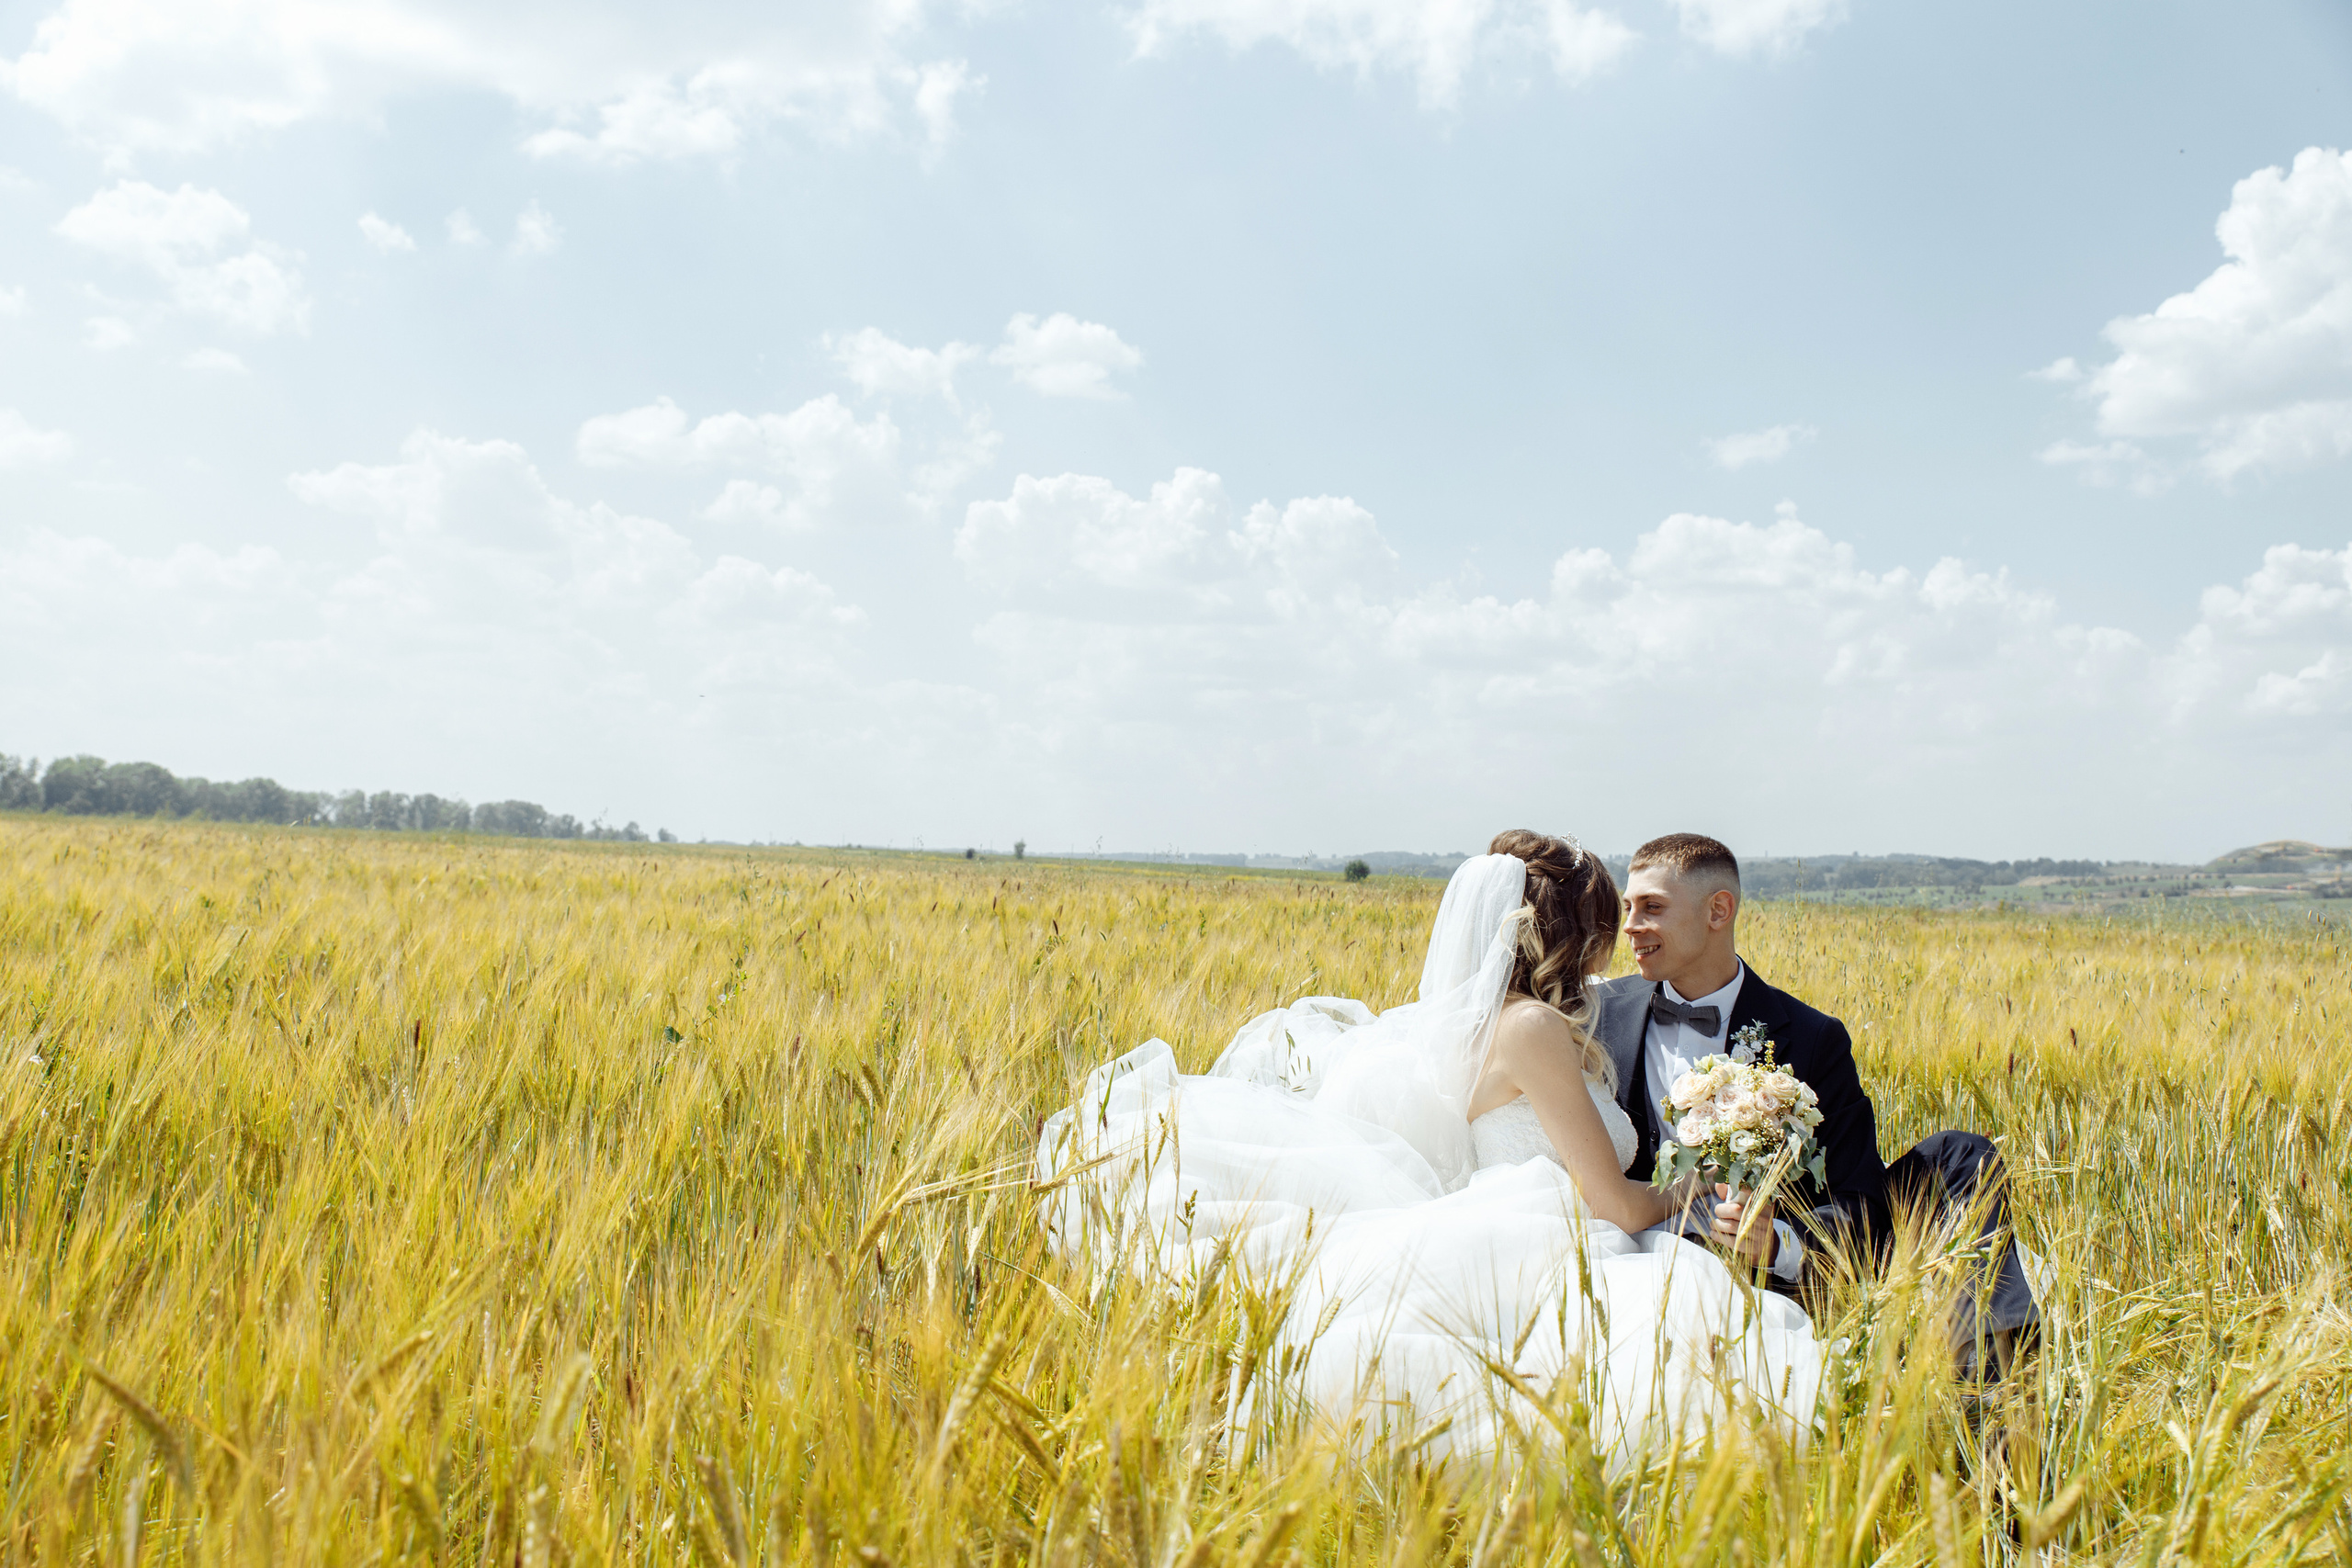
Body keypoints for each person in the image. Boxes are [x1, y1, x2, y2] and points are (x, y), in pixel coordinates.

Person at [1036, 830, 1827, 1464]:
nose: (1616, 939)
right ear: (1569, 932)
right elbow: (1614, 1202)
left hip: (1503, 1229)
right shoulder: (1534, 1028)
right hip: (1553, 1240)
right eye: (1604, 920)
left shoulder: (1479, 1023)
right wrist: (1693, 1188)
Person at [1590, 832, 2041, 1380]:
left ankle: (1993, 1384)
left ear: (1719, 910)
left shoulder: (1811, 1036)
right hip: (1645, 1261)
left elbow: (1860, 1193)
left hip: (1777, 1276)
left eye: (1652, 907)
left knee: (1962, 1155)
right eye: (1628, 907)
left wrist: (1778, 1243)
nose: (1630, 925)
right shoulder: (1596, 1014)